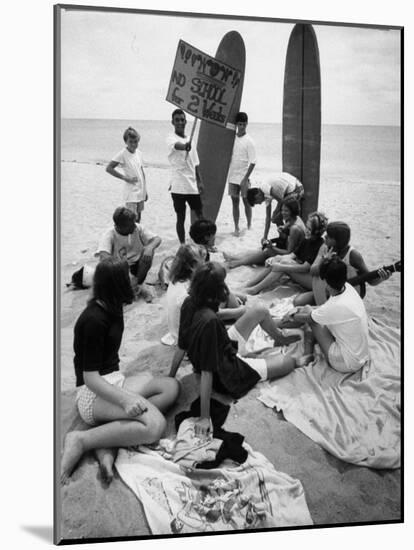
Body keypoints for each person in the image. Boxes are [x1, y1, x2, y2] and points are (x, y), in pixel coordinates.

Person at [61, 258, 180, 484]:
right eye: (127, 277)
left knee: (170, 387)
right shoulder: (94, 320)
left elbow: (138, 291)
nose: (132, 279)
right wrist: (125, 401)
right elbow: (90, 377)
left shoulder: (113, 305)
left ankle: (109, 436)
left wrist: (145, 293)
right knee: (155, 425)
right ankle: (82, 439)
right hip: (91, 393)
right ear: (116, 283)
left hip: (114, 380)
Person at [169, 262, 303, 437]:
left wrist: (170, 376)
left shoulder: (190, 302)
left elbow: (182, 345)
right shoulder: (210, 321)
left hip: (223, 347)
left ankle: (279, 337)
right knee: (288, 362)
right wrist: (204, 416)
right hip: (226, 372)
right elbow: (207, 372)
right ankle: (295, 358)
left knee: (260, 310)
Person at [284, 257, 370, 373]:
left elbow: (311, 317)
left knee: (311, 320)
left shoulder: (336, 305)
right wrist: (300, 309)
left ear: (326, 281)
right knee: (308, 310)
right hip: (360, 355)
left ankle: (307, 354)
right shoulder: (348, 289)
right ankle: (284, 324)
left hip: (346, 363)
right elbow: (324, 310)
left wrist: (291, 316)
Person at [294, 221, 391, 306]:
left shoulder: (353, 255)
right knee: (298, 302)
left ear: (337, 241)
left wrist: (382, 278)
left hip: (345, 298)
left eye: (329, 236)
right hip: (327, 291)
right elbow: (312, 271)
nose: (325, 237)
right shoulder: (325, 247)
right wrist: (324, 260)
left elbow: (371, 281)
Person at [244, 211, 328, 295]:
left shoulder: (319, 244)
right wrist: (275, 258)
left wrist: (281, 267)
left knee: (282, 265)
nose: (306, 230)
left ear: (317, 231)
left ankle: (255, 289)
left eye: (310, 229)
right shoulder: (306, 240)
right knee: (278, 261)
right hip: (303, 272)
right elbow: (292, 255)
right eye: (307, 227)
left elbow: (305, 268)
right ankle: (249, 285)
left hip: (312, 280)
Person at [96, 206, 161, 302]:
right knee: (109, 267)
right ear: (121, 226)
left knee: (148, 253)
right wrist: (122, 267)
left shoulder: (137, 228)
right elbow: (104, 257)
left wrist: (150, 248)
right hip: (119, 270)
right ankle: (130, 288)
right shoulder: (109, 235)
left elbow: (157, 239)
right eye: (131, 225)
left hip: (137, 266)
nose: (134, 226)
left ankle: (137, 285)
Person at [224, 197, 306, 269]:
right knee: (262, 250)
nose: (282, 213)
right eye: (282, 210)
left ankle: (238, 262)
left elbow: (289, 252)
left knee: (267, 251)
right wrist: (284, 227)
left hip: (296, 258)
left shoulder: (295, 229)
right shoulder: (295, 218)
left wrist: (272, 248)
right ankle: (236, 258)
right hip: (290, 249)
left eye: (286, 211)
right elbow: (289, 225)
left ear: (292, 211)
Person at [167, 109, 204, 243]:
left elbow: (196, 162)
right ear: (173, 122)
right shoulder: (171, 138)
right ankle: (182, 244)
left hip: (192, 185)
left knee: (200, 215)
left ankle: (203, 242)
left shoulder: (191, 140)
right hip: (178, 186)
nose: (180, 122)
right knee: (180, 218)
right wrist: (184, 146)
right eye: (177, 120)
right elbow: (177, 146)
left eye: (182, 120)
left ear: (186, 121)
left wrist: (200, 181)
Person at [161, 244, 206, 346]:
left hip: (176, 333)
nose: (204, 264)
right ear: (193, 265)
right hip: (187, 340)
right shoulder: (185, 295)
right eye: (202, 261)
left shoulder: (176, 281)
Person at [106, 126, 148, 222]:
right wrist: (125, 178)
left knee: (139, 219)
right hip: (131, 193)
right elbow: (109, 168)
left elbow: (142, 172)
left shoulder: (139, 153)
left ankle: (137, 237)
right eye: (131, 142)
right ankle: (131, 237)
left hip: (140, 191)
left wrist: (145, 191)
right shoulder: (122, 154)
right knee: (131, 219)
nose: (133, 144)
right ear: (126, 142)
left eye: (136, 141)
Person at [246, 172, 304, 239]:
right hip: (290, 191)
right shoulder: (265, 194)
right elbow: (268, 218)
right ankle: (284, 237)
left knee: (283, 214)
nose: (260, 203)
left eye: (257, 202)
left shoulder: (264, 187)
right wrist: (265, 237)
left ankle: (286, 236)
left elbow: (283, 202)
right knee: (275, 218)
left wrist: (285, 220)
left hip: (297, 189)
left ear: (257, 195)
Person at [227, 112, 257, 235]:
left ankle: (249, 225)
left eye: (244, 124)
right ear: (236, 124)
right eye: (240, 124)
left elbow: (253, 162)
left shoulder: (249, 141)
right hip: (232, 177)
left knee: (246, 202)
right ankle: (236, 227)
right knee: (235, 202)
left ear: (247, 124)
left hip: (244, 177)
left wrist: (245, 178)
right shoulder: (231, 139)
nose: (242, 127)